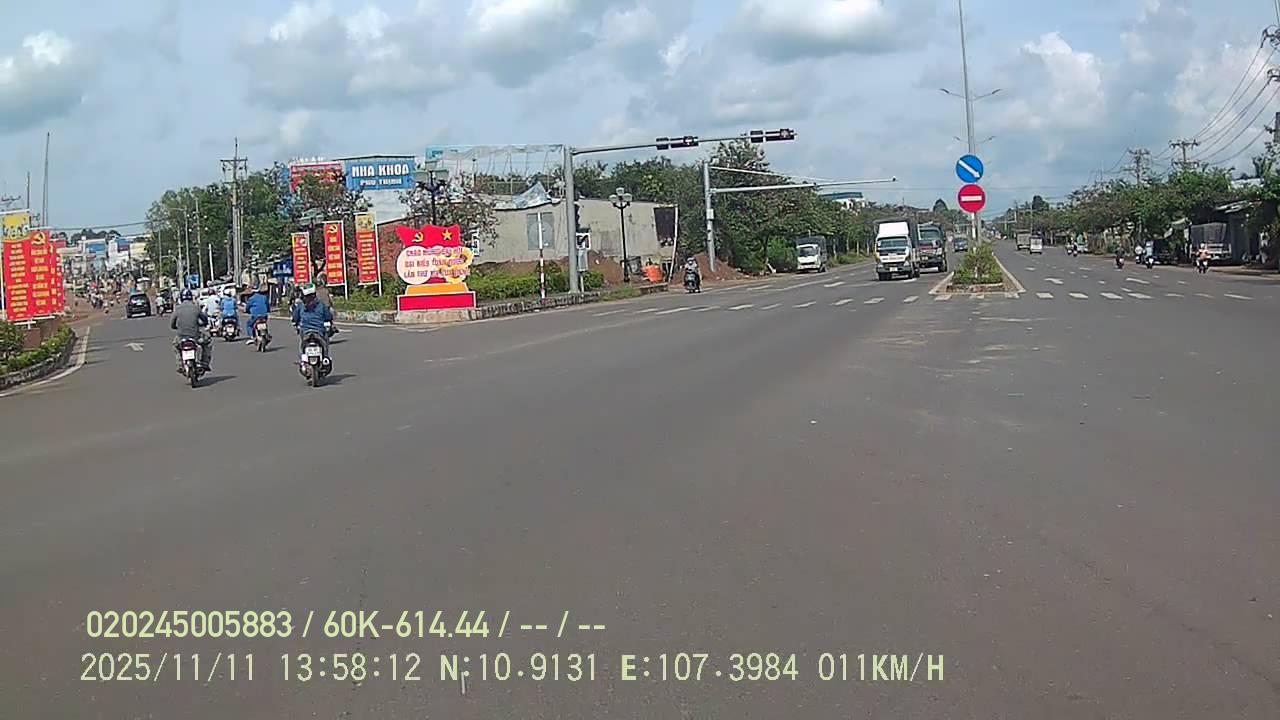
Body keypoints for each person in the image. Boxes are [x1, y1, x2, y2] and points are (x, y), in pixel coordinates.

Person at [170, 288, 212, 371]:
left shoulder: (177, 309)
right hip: (195, 336)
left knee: (175, 346)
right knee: (208, 342)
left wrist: (176, 327)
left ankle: (180, 365)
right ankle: (205, 362)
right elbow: (204, 319)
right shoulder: (196, 308)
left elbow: (172, 323)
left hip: (181, 337)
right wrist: (203, 324)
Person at [291, 284, 334, 356]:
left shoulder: (301, 306)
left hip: (305, 331)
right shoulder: (321, 305)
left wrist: (296, 323)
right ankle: (325, 357)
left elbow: (295, 318)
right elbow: (328, 316)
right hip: (319, 331)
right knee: (325, 345)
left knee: (303, 348)